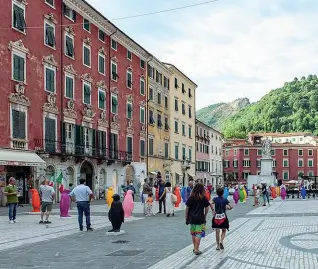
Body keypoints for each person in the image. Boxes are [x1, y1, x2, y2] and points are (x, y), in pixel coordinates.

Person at [185, 183, 210, 255]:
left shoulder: (191, 197)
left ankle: (195, 247)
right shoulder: (203, 198)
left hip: (192, 218)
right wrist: (205, 215)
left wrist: (186, 217)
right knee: (198, 234)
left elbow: (187, 208)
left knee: (193, 233)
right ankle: (196, 249)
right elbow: (207, 208)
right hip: (200, 218)